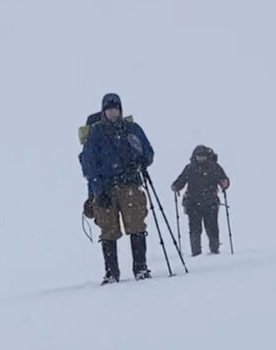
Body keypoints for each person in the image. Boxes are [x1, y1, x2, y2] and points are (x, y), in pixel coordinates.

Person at [80, 93, 155, 283]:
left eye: (115, 108)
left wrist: (140, 161)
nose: (113, 112)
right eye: (109, 109)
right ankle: (112, 272)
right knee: (108, 230)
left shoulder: (131, 129)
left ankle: (140, 268)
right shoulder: (95, 133)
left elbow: (148, 152)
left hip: (130, 184)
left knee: (137, 225)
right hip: (105, 188)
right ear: (104, 111)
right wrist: (98, 189)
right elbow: (88, 163)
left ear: (120, 109)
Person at [171, 145, 230, 256]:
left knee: (211, 228)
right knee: (195, 229)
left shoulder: (214, 167)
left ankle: (214, 250)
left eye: (203, 156)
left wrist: (224, 183)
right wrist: (176, 186)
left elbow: (223, 179)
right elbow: (181, 180)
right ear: (194, 156)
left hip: (209, 203)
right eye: (199, 156)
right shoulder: (190, 168)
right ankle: (196, 252)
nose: (201, 159)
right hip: (193, 204)